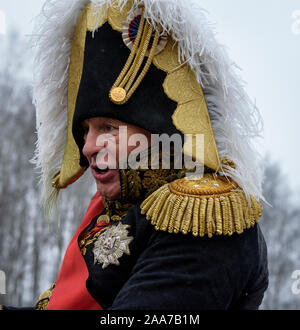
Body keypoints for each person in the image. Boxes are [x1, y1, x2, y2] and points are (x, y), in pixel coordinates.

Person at [2, 0, 268, 310]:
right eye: (86, 130)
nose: (87, 146)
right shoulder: (119, 212)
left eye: (108, 127)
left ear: (162, 130)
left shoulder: (199, 214)